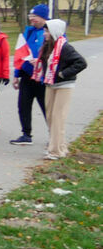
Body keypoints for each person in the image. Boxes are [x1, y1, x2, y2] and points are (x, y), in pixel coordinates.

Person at [33, 18, 87, 160]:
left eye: (46, 31)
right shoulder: (47, 46)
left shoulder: (65, 47)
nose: (44, 34)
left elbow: (81, 63)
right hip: (50, 84)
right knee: (50, 116)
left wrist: (63, 73)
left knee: (58, 117)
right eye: (44, 31)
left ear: (54, 32)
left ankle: (55, 151)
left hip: (64, 85)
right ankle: (60, 146)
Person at [10, 4, 50, 145]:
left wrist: (41, 61)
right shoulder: (29, 32)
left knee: (47, 108)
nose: (32, 19)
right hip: (27, 75)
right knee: (23, 105)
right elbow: (21, 54)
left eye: (35, 16)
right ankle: (26, 134)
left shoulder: (51, 32)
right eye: (30, 16)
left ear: (43, 17)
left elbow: (57, 54)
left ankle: (54, 136)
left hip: (43, 78)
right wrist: (16, 74)